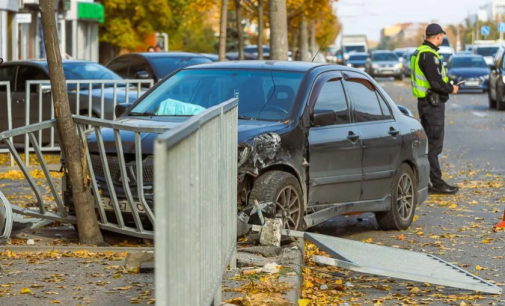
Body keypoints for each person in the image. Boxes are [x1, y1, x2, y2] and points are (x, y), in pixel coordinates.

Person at [411, 24, 459, 194]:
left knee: (429, 144)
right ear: (438, 36)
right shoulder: (429, 55)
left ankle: (426, 182)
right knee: (433, 146)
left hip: (426, 103)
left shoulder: (420, 52)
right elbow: (436, 82)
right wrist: (451, 88)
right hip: (432, 105)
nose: (442, 39)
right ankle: (437, 183)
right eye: (441, 36)